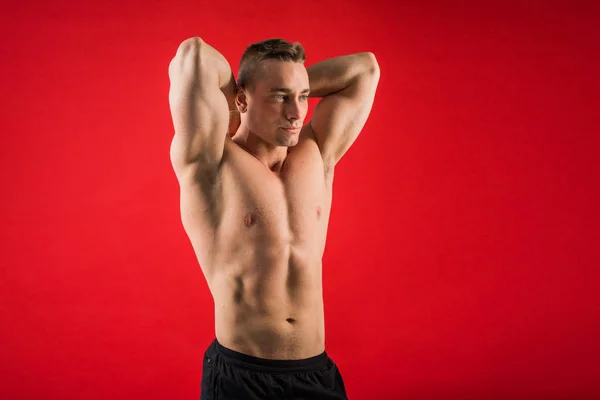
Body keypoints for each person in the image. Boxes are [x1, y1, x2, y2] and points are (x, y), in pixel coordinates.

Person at [168, 36, 380, 400]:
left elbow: (366, 68)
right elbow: (194, 55)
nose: (297, 113)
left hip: (315, 374)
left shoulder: (318, 151)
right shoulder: (212, 163)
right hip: (241, 378)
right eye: (280, 98)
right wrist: (247, 91)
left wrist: (289, 83)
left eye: (303, 96)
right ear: (242, 98)